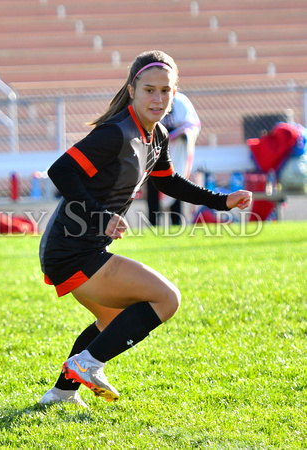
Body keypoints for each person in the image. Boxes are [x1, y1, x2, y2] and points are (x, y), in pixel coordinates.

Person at [38, 50, 252, 407]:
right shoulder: (116, 132)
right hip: (71, 247)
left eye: (165, 91)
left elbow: (169, 183)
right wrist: (99, 216)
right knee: (167, 299)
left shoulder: (157, 135)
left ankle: (60, 393)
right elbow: (61, 171)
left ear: (175, 93)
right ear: (132, 89)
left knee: (115, 321)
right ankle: (86, 364)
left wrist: (221, 200)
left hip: (82, 247)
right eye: (149, 90)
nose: (158, 99)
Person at [147, 92, 201, 226]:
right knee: (152, 190)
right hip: (153, 154)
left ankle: (176, 224)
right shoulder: (150, 99)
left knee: (175, 188)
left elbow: (191, 125)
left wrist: (178, 134)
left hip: (175, 155)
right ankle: (153, 225)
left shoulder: (181, 101)